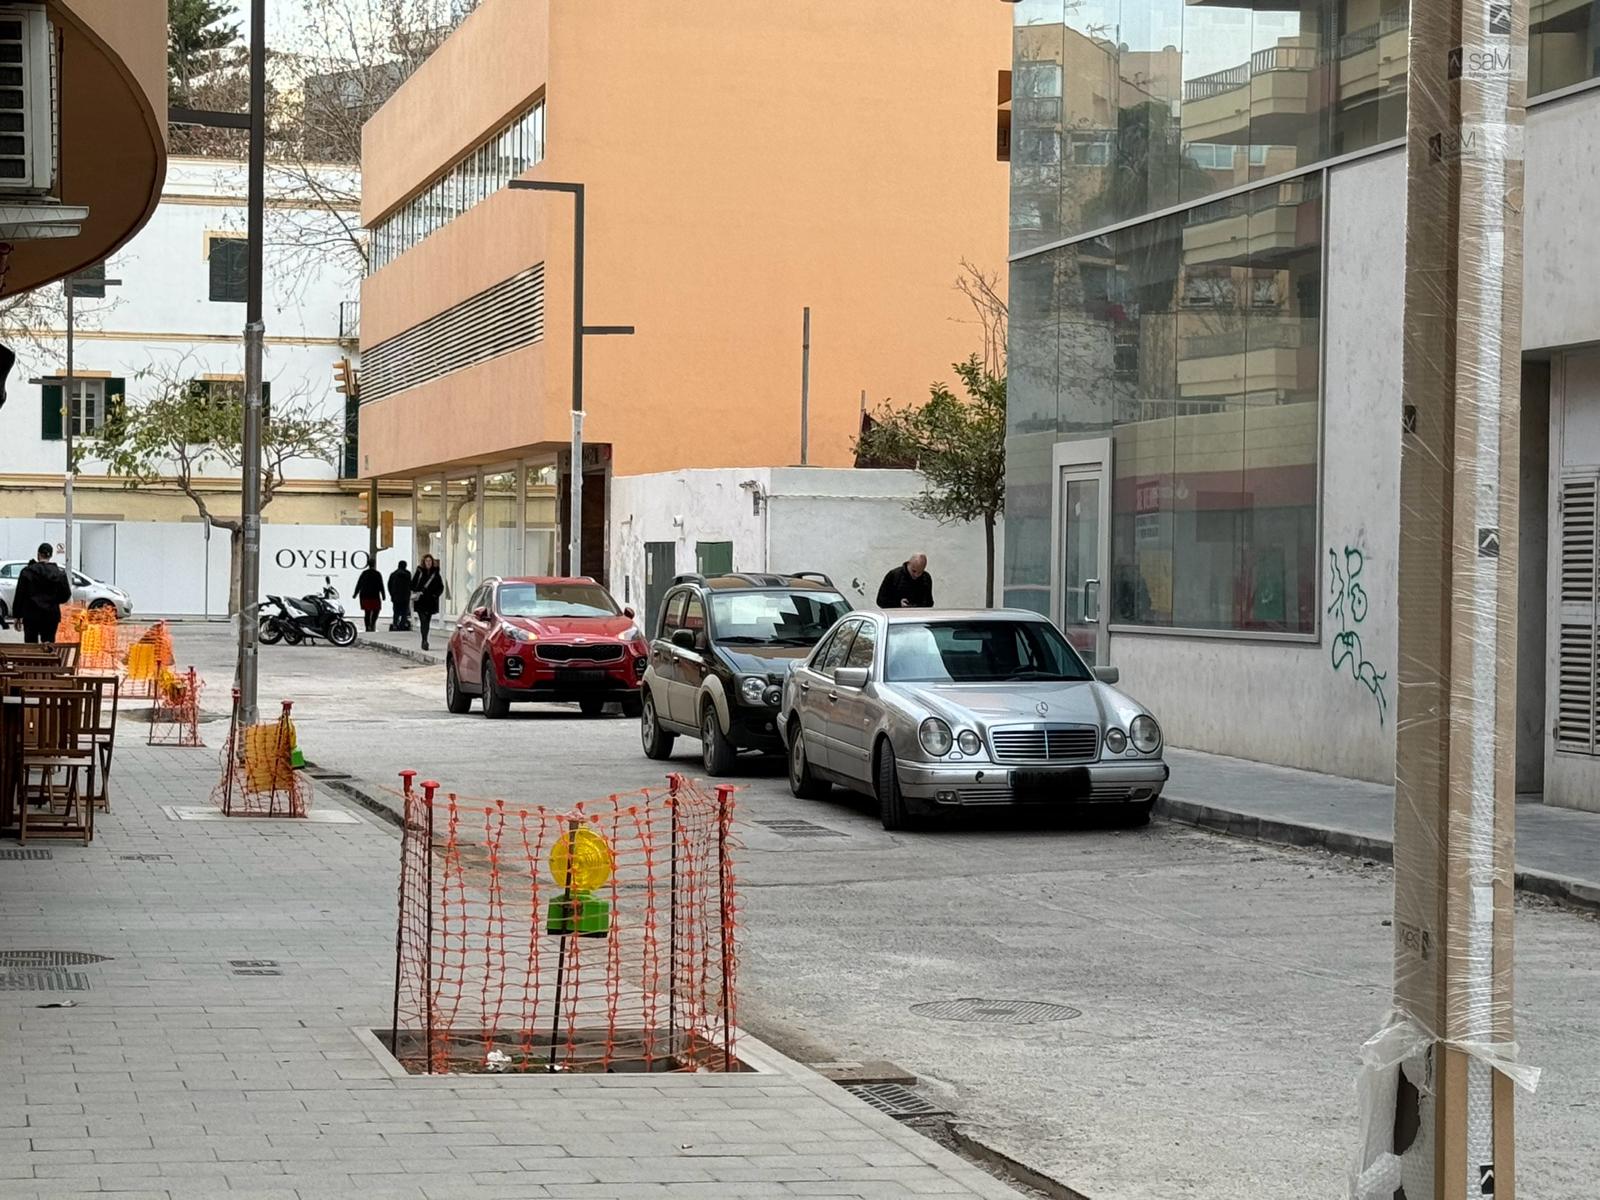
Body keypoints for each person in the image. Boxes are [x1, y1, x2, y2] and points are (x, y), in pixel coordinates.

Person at [13, 542, 72, 644]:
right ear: (51, 555)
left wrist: (17, 616)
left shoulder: (27, 572)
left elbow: (20, 595)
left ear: (38, 554)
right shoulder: (59, 573)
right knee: (48, 645)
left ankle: (33, 660)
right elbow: (66, 595)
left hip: (31, 615)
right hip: (51, 615)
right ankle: (47, 660)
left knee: (31, 645)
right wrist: (54, 601)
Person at [411, 555, 445, 651]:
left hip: (431, 601)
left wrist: (435, 595)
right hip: (421, 600)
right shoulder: (420, 571)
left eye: (430, 561)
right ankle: (424, 640)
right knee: (423, 620)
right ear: (424, 562)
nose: (428, 563)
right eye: (427, 561)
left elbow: (441, 587)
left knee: (427, 621)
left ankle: (425, 639)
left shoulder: (436, 573)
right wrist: (418, 590)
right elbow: (412, 584)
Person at [352, 562, 386, 634]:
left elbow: (359, 584)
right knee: (376, 610)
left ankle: (367, 626)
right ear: (374, 564)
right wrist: (383, 595)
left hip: (365, 595)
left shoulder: (364, 573)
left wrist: (355, 594)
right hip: (375, 595)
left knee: (367, 612)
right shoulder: (377, 574)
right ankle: (372, 623)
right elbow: (381, 585)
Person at [387, 559, 412, 632]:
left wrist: (392, 594)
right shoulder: (408, 574)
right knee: (404, 612)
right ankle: (402, 625)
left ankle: (395, 624)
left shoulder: (393, 574)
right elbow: (410, 585)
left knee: (396, 612)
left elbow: (389, 585)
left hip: (396, 597)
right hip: (405, 597)